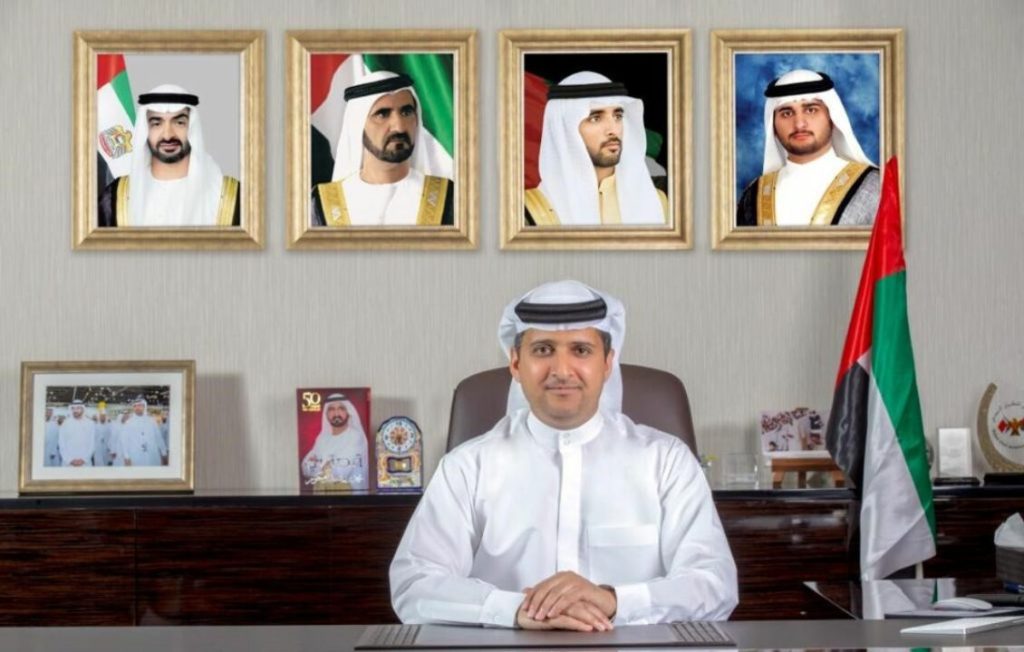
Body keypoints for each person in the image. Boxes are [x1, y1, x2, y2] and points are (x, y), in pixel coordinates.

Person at [390, 280, 737, 630]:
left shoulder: (667, 461)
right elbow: (414, 585)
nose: (561, 370)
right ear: (515, 363)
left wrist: (614, 601)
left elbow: (714, 583)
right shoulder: (468, 466)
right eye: (543, 350)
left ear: (607, 363)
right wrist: (516, 610)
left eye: (581, 350)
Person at [736, 69, 881, 227]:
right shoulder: (753, 196)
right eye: (787, 113)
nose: (799, 124)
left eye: (811, 110)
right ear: (773, 126)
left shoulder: (876, 187)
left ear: (832, 118)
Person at [311, 71, 454, 227]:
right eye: (382, 114)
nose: (399, 127)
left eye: (406, 112)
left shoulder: (450, 199)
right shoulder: (321, 205)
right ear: (357, 125)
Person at [525, 72, 668, 227]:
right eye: (595, 118)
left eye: (617, 116)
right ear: (565, 129)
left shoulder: (660, 203)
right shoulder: (529, 211)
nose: (613, 130)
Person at [98, 84, 240, 227]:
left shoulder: (231, 198)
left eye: (179, 123)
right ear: (145, 129)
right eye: (156, 124)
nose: (167, 135)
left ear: (192, 128)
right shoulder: (114, 199)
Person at [301, 393, 369, 490]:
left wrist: (317, 464)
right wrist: (327, 466)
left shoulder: (356, 437)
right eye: (331, 409)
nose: (336, 414)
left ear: (348, 412)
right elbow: (305, 468)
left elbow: (340, 473)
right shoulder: (322, 438)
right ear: (326, 414)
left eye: (341, 408)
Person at [117, 397, 168, 466]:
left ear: (144, 407)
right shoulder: (128, 423)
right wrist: (126, 457)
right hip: (135, 456)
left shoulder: (151, 421)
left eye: (139, 405)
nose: (137, 408)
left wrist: (164, 452)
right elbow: (124, 441)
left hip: (152, 455)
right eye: (135, 406)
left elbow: (158, 437)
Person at [58, 400, 96, 467]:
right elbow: (61, 443)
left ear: (83, 409)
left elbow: (92, 443)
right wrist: (70, 460)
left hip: (85, 462)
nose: (75, 410)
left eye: (78, 408)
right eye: (73, 408)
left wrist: (84, 459)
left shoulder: (90, 423)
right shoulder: (65, 423)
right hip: (68, 462)